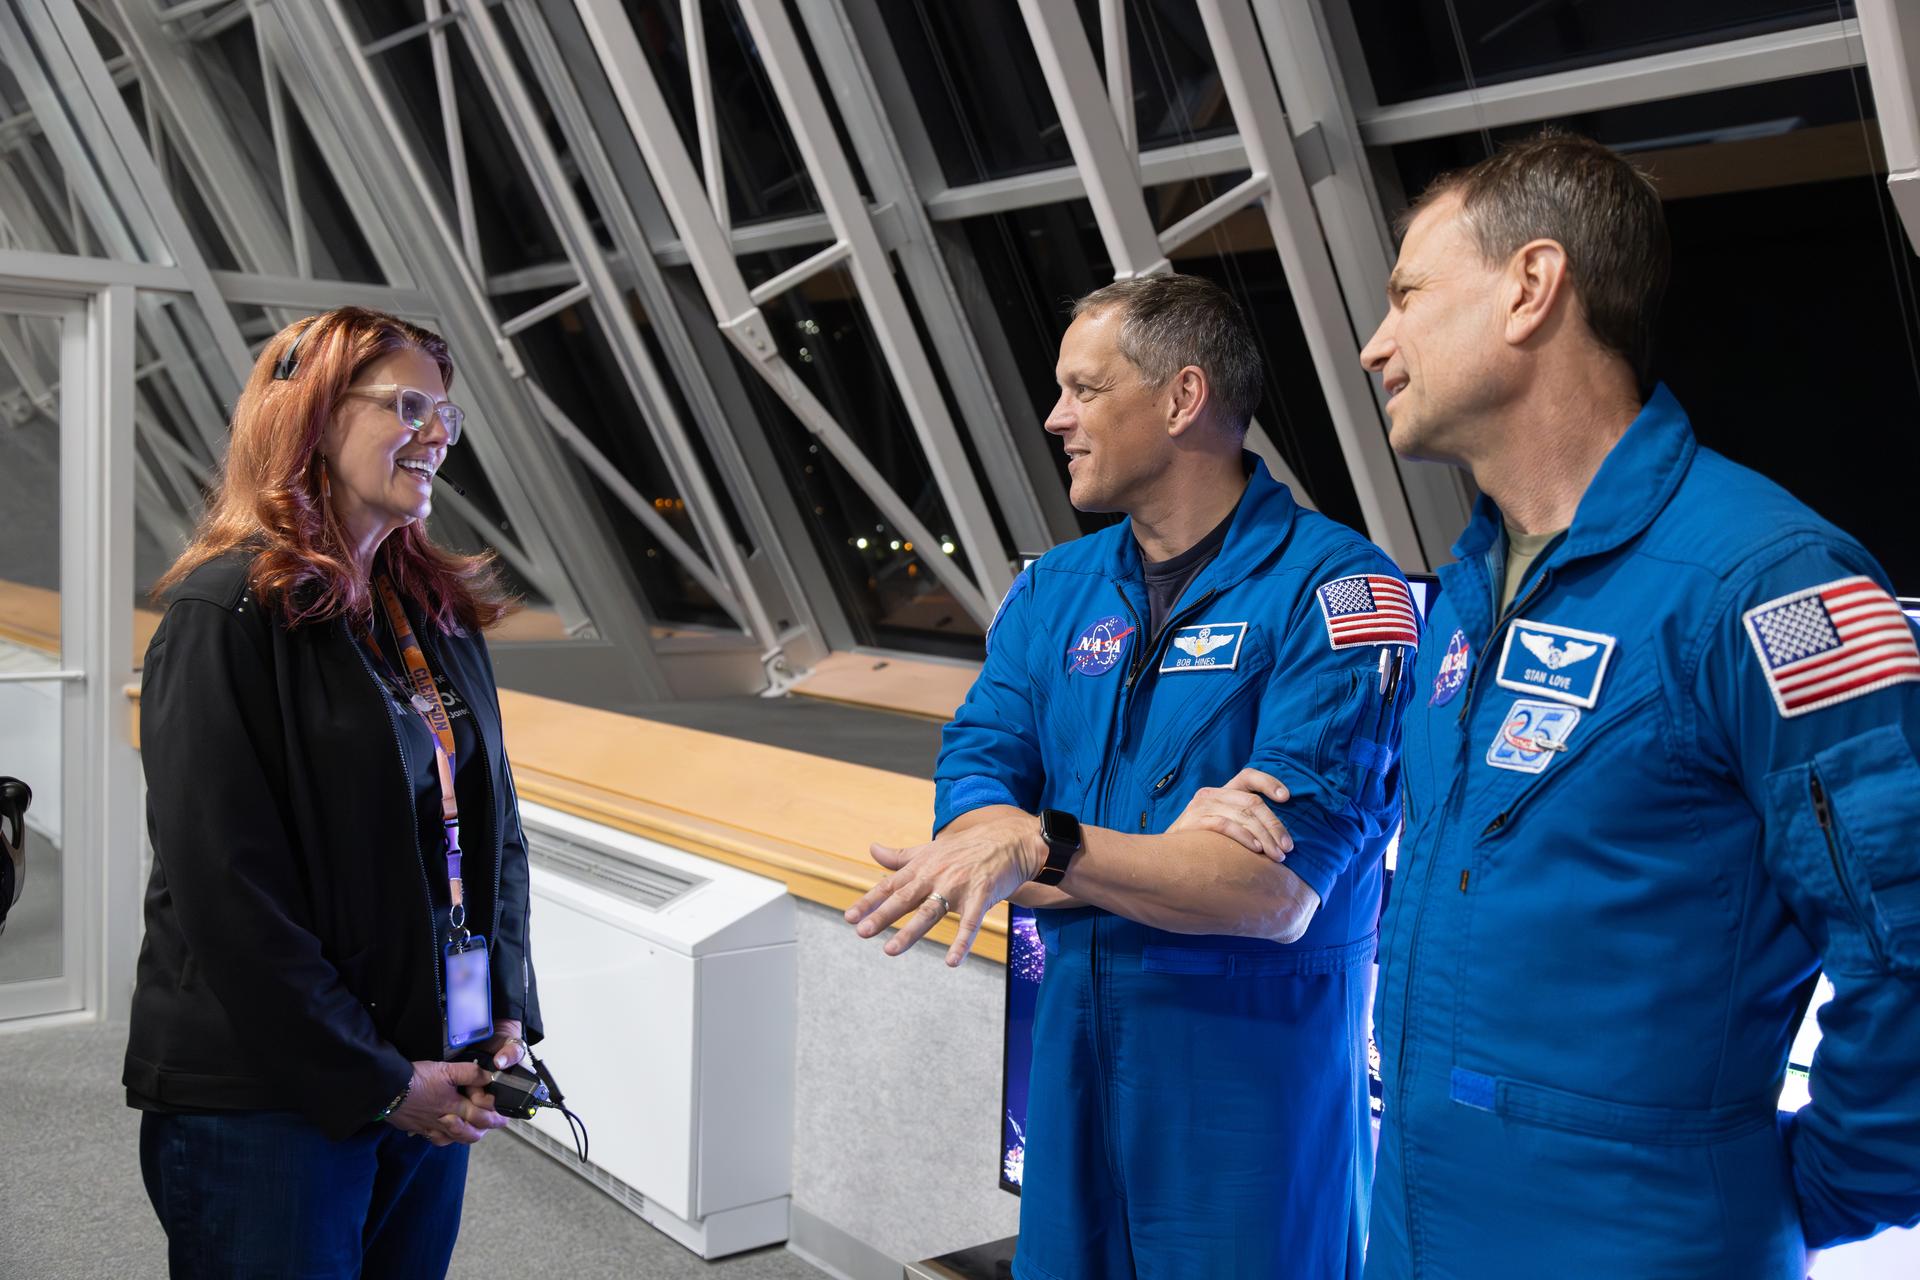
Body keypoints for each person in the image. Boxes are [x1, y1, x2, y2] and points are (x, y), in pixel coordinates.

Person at [1347, 130, 1920, 1276]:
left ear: (1531, 287)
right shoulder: (1461, 598)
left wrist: (1815, 1191)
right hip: (1423, 1231)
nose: (1374, 346)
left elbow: (1909, 942)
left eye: (1407, 294)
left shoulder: (1771, 581)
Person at [846, 275, 1414, 1279]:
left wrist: (1048, 844)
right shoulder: (1057, 589)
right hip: (1071, 1065)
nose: (1056, 417)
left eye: (1083, 387)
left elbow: (1269, 892)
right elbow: (978, 779)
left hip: (1252, 1099)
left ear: (1182, 398)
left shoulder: (1341, 593)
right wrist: (1145, 860)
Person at [125, 308, 543, 1278]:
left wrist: (500, 1009)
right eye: (407, 406)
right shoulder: (223, 614)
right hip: (270, 1095)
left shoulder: (432, 611)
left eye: (446, 413)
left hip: (426, 1062)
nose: (437, 435)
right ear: (308, 413)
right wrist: (380, 1078)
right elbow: (231, 896)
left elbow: (495, 832)